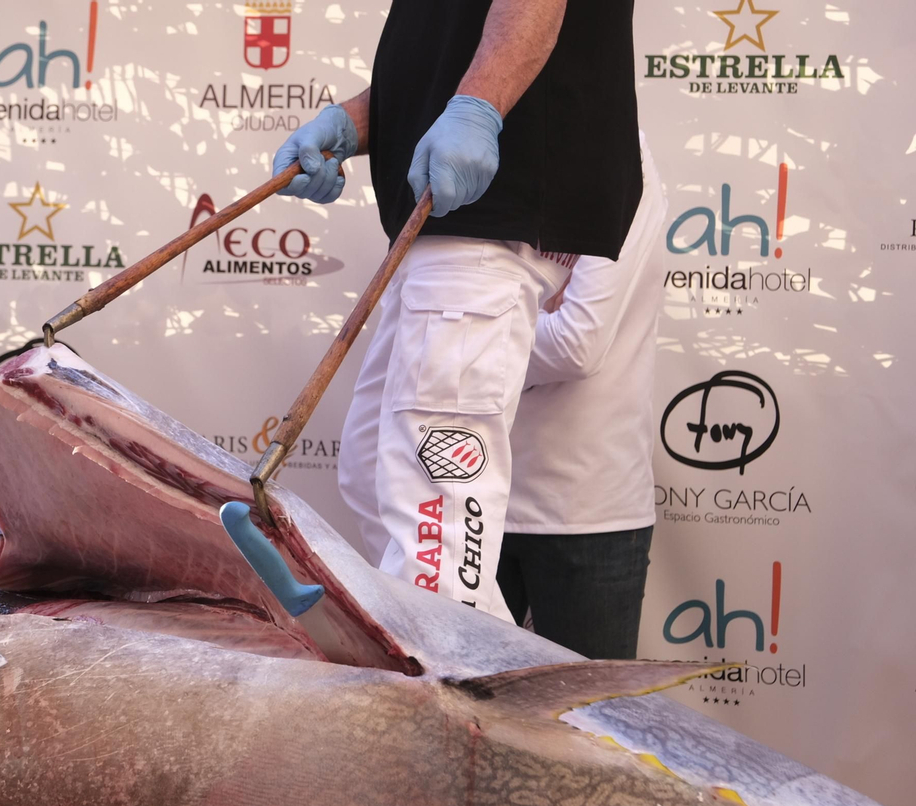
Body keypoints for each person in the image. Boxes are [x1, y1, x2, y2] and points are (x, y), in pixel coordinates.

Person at [273, 0, 642, 621]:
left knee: (434, 532)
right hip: (440, 234)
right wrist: (354, 122)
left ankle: (444, 702)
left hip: (486, 222)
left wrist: (481, 109)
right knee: (375, 480)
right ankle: (466, 667)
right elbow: (443, 59)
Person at [497, 133, 667, 659]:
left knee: (591, 732)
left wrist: (481, 338)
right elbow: (429, 318)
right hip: (473, 494)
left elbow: (577, 344)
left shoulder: (620, 161)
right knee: (466, 729)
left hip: (588, 511)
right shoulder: (479, 152)